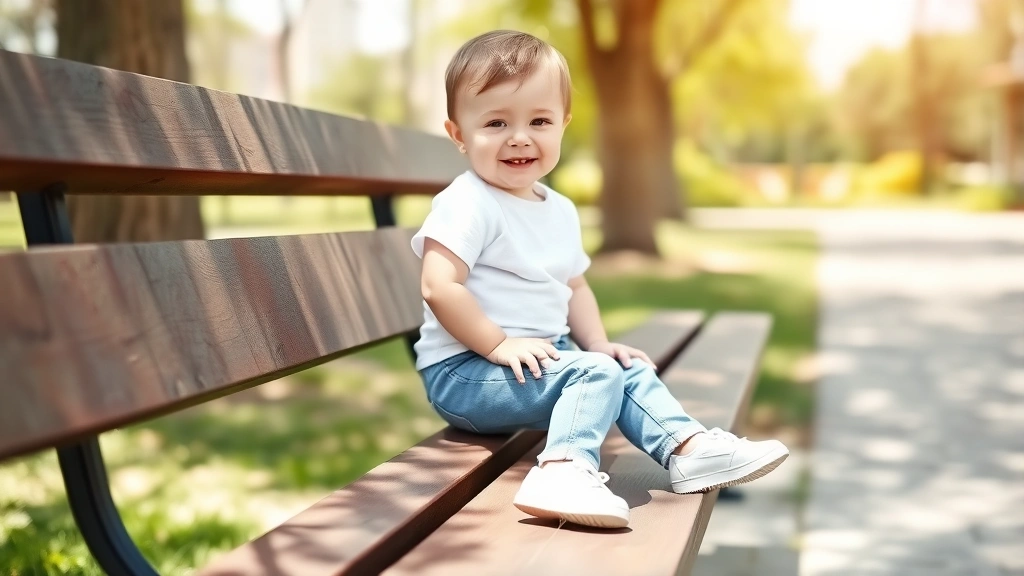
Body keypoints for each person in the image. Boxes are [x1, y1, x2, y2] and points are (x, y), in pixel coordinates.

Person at [411, 30, 788, 529]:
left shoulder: (560, 210)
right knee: (593, 373)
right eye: (496, 122)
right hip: (466, 373)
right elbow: (440, 286)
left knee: (622, 367)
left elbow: (575, 286)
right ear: (458, 133)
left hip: (537, 363)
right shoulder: (467, 202)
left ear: (563, 125)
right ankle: (562, 472)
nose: (520, 137)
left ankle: (688, 449)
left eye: (539, 121)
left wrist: (598, 344)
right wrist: (498, 344)